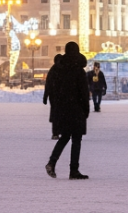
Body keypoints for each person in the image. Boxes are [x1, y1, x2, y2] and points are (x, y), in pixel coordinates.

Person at [45, 42, 89, 180]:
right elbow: (84, 92)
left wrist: (55, 105)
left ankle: (52, 162)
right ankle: (73, 170)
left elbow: (51, 85)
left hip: (63, 109)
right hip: (76, 109)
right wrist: (86, 109)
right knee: (76, 139)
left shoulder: (59, 69)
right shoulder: (79, 70)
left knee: (64, 137)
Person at [42, 54, 62, 139]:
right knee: (63, 114)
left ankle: (55, 133)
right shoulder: (65, 70)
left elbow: (48, 84)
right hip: (62, 96)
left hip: (54, 96)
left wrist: (45, 96)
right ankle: (62, 131)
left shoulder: (53, 70)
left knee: (55, 114)